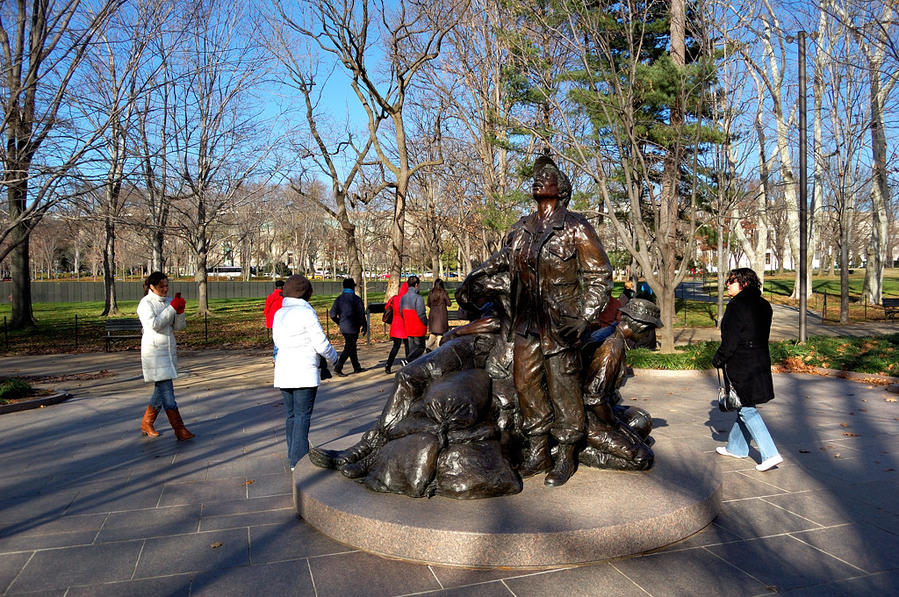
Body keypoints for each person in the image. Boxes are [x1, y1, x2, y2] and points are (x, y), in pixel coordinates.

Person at [467, 154, 613, 486]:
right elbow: (500, 260)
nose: (537, 180)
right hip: (525, 324)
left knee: (564, 388)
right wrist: (474, 276)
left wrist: (584, 317)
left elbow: (599, 276)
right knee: (526, 386)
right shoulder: (521, 227)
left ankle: (565, 455)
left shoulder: (575, 228)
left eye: (546, 177)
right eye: (536, 178)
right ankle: (537, 451)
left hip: (560, 326)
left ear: (560, 188)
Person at [712, 268, 782, 472]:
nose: (728, 284)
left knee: (747, 409)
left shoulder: (736, 306)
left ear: (744, 283)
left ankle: (770, 453)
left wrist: (720, 357)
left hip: (741, 362)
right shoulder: (764, 305)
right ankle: (737, 447)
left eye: (731, 281)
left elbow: (731, 339)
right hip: (759, 360)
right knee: (745, 403)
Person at [273, 275, 338, 471]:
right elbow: (320, 343)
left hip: (284, 370)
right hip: (303, 370)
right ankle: (298, 462)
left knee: (292, 415)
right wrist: (334, 357)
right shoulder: (306, 313)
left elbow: (277, 342)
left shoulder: (279, 313)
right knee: (302, 416)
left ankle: (292, 453)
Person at [137, 272, 194, 441]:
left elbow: (179, 327)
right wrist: (171, 309)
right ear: (152, 287)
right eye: (161, 286)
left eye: (166, 286)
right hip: (153, 352)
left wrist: (180, 311)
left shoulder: (169, 301)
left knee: (161, 390)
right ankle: (179, 429)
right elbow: (154, 324)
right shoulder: (145, 304)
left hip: (168, 351)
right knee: (167, 391)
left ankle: (147, 423)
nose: (165, 289)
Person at [329, 277, 366, 376]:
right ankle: (338, 367)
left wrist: (339, 321)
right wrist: (364, 325)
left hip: (344, 327)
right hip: (354, 326)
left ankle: (356, 367)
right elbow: (361, 314)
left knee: (352, 346)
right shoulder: (356, 299)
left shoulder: (339, 299)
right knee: (349, 347)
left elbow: (332, 314)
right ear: (353, 287)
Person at [400, 275, 428, 362]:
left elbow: (401, 312)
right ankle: (408, 360)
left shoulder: (403, 298)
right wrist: (425, 322)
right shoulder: (418, 298)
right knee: (421, 347)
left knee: (412, 348)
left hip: (408, 325)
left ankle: (410, 365)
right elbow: (421, 313)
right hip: (418, 326)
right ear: (416, 285)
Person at [384, 281, 409, 374]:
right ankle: (408, 364)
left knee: (395, 347)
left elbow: (387, 306)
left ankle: (388, 365)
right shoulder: (407, 299)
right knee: (407, 347)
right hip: (405, 325)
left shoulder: (395, 298)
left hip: (396, 325)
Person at [426, 278, 450, 352]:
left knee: (433, 332)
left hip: (433, 314)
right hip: (442, 315)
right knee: (440, 333)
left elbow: (428, 304)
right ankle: (439, 348)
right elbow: (449, 303)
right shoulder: (444, 293)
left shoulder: (431, 293)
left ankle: (428, 346)